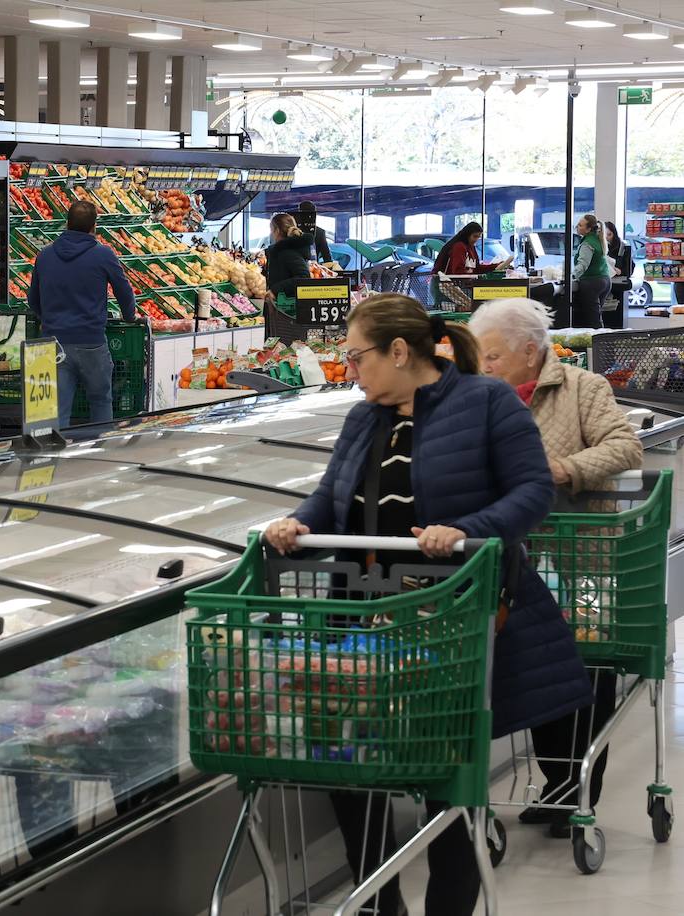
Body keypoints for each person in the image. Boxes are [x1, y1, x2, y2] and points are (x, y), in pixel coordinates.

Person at [265, 293, 592, 916]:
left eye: (356, 356)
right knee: (348, 767)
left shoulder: (485, 401)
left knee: (447, 776)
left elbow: (531, 495)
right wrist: (294, 524)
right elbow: (330, 496)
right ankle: (377, 900)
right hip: (361, 621)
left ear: (397, 351)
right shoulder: (364, 417)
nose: (350, 368)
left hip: (451, 621)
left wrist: (466, 530)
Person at [471, 296, 642, 836]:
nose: (483, 366)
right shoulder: (477, 398)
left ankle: (577, 788)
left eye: (492, 356)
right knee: (535, 665)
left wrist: (564, 469)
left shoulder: (581, 388)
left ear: (529, 352)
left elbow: (625, 446)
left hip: (581, 555)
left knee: (588, 665)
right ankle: (557, 782)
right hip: (516, 562)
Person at [27, 199, 137, 429]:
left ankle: (56, 459)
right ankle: (98, 455)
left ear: (66, 224)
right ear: (93, 226)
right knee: (100, 400)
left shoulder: (45, 255)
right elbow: (125, 292)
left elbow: (33, 301)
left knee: (56, 409)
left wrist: (49, 320)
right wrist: (129, 316)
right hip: (91, 343)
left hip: (54, 344)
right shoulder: (103, 255)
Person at [570, 213, 611, 329]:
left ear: (588, 229)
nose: (577, 227)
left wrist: (570, 276)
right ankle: (601, 343)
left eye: (580, 225)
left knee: (593, 322)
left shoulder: (587, 243)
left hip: (592, 282)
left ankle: (598, 345)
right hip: (605, 281)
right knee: (596, 317)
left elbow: (583, 264)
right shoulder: (597, 239)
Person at [262, 212, 313, 302]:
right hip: (283, 302)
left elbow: (303, 277)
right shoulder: (285, 249)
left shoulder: (287, 251)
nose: (271, 234)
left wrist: (275, 290)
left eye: (271, 230)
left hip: (288, 305)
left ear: (277, 231)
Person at [433, 221, 510, 275]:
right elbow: (458, 271)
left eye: (478, 237)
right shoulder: (459, 247)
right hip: (444, 286)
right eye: (475, 236)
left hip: (455, 286)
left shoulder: (471, 247)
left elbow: (477, 268)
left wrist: (496, 266)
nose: (476, 240)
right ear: (467, 234)